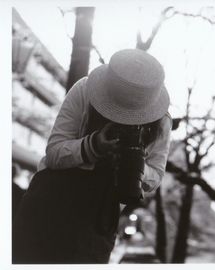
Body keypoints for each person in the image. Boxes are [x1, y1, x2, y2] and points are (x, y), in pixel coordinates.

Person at [12, 49, 172, 264]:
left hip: (98, 219)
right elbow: (54, 153)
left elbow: (156, 176)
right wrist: (93, 146)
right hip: (49, 204)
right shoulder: (84, 90)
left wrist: (133, 163)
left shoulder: (161, 121)